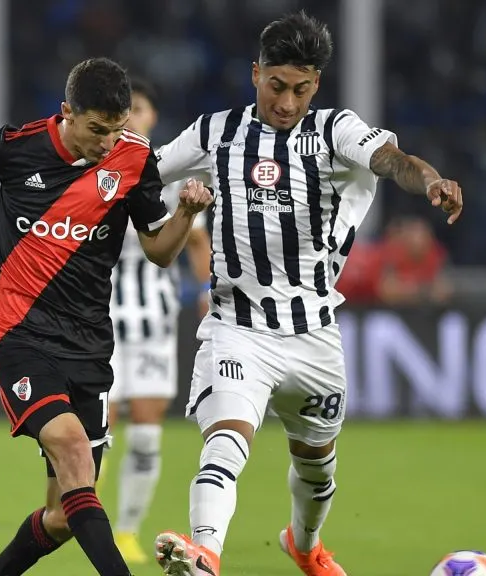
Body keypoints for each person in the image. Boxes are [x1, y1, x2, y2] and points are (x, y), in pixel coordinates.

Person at [0, 57, 212, 576]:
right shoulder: (17, 144)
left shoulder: (134, 159)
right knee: (74, 450)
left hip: (90, 345)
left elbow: (160, 251)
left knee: (63, 515)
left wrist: (184, 214)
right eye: (97, 130)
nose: (107, 143)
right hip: (20, 335)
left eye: (117, 130)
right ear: (67, 112)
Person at [151, 12, 464, 576]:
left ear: (315, 85)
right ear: (255, 74)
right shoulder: (214, 132)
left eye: (300, 89)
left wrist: (434, 181)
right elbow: (146, 172)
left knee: (318, 467)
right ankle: (204, 555)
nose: (288, 102)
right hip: (237, 326)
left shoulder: (335, 129)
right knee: (227, 439)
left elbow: (392, 162)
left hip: (314, 332)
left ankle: (305, 545)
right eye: (277, 86)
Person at [103, 79, 213, 563]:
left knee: (147, 430)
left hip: (153, 322)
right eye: (124, 110)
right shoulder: (97, 169)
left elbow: (196, 243)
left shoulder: (168, 178)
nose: (131, 116)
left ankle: (126, 530)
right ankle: (79, 511)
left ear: (152, 118)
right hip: (100, 319)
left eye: (139, 109)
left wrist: (209, 290)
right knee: (94, 428)